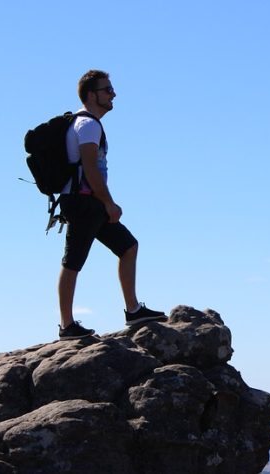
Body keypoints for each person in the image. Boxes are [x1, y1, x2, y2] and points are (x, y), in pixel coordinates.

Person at [57, 69, 166, 340]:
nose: (113, 94)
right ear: (92, 95)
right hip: (85, 203)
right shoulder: (89, 125)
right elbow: (91, 168)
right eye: (107, 90)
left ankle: (133, 310)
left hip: (88, 201)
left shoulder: (85, 124)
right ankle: (67, 325)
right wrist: (109, 203)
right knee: (73, 262)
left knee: (128, 246)